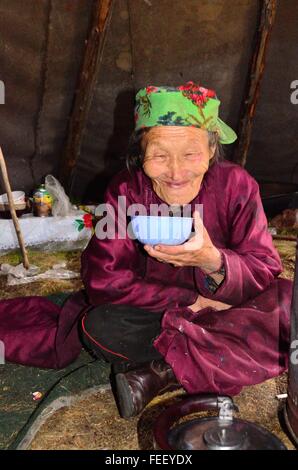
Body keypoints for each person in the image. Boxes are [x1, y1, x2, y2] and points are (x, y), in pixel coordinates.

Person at [78, 83, 293, 418]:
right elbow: (104, 279)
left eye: (191, 154)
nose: (176, 173)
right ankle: (218, 362)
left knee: (291, 304)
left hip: (232, 309)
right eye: (159, 155)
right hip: (161, 314)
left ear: (211, 150)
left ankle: (161, 372)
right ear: (140, 154)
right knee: (100, 325)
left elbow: (264, 268)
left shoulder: (237, 184)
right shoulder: (124, 189)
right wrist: (191, 302)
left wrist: (213, 261)